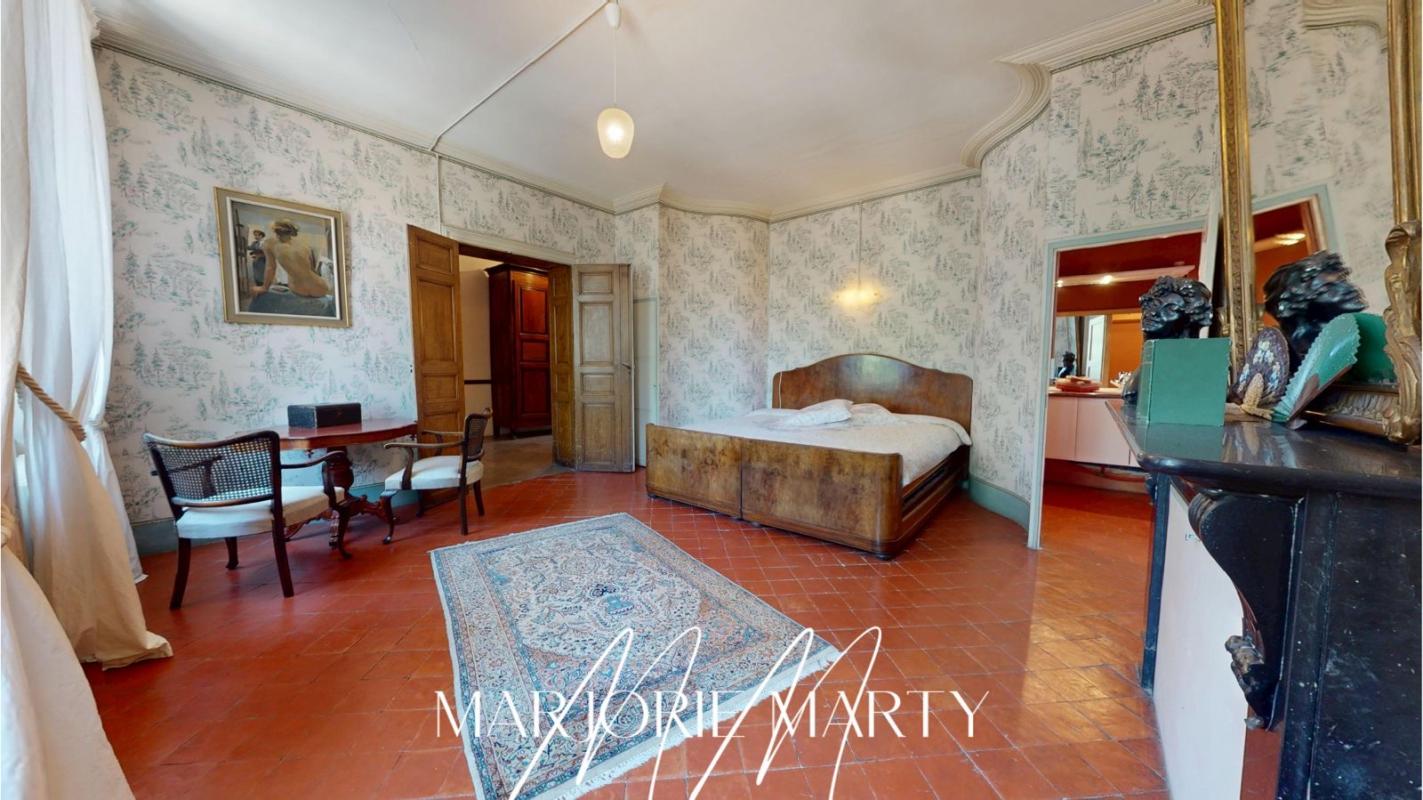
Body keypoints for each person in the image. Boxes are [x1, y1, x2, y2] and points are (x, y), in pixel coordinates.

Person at [249, 218, 336, 317]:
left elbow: (270, 268)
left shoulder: (269, 243)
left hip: (299, 289)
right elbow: (311, 269)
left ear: (275, 231)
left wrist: (264, 287)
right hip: (320, 287)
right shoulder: (304, 245)